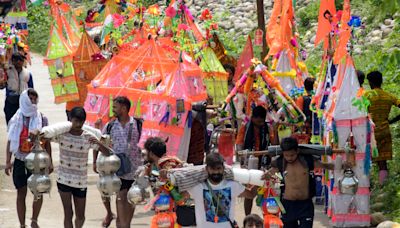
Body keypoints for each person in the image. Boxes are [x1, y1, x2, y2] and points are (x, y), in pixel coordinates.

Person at [46, 107, 110, 228]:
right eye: (76, 121)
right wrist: (49, 160)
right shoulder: (62, 135)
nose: (78, 124)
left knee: (81, 216)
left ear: (84, 122)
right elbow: (45, 138)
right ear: (70, 119)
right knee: (68, 213)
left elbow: (108, 153)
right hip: (63, 179)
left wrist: (98, 143)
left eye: (81, 121)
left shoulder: (88, 137)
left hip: (80, 182)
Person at [262, 137, 348, 228]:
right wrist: (266, 175)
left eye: (292, 155)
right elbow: (268, 174)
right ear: (283, 153)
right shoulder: (280, 163)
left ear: (297, 151)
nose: (289, 158)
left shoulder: (307, 161)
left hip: (305, 205)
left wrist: (343, 166)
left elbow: (326, 166)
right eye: (286, 155)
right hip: (287, 205)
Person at [5, 89, 51, 228]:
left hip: (37, 160)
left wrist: (50, 162)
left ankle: (34, 220)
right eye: (29, 98)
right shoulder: (16, 118)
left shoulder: (42, 118)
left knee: (39, 191)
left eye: (34, 99)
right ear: (24, 99)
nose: (32, 101)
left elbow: (47, 141)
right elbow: (10, 140)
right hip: (19, 160)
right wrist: (8, 161)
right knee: (21, 192)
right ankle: (22, 224)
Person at [94, 96, 143, 228]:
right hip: (117, 169)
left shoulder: (138, 124)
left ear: (124, 108)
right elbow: (101, 143)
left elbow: (144, 143)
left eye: (115, 107)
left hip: (135, 169)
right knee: (121, 196)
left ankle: (125, 223)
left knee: (131, 197)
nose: (113, 109)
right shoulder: (110, 126)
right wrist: (95, 161)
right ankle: (123, 224)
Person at [187, 153, 249, 228]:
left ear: (223, 168)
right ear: (207, 169)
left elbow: (251, 194)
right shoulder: (197, 187)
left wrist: (261, 180)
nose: (216, 172)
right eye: (212, 169)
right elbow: (178, 197)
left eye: (218, 168)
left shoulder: (233, 185)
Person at [235, 105, 275, 215]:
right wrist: (243, 162)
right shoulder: (245, 128)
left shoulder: (268, 128)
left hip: (264, 165)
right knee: (249, 194)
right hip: (248, 166)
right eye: (257, 121)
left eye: (261, 122)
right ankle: (248, 217)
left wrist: (274, 129)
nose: (259, 124)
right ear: (253, 118)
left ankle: (267, 217)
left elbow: (275, 144)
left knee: (266, 193)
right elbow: (239, 145)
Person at [364, 71, 400, 184]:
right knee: (382, 162)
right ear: (381, 81)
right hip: (384, 130)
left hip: (369, 132)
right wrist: (392, 121)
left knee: (365, 160)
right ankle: (382, 185)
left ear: (370, 82)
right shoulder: (388, 96)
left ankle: (366, 186)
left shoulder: (367, 96)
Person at [3, 53, 33, 124]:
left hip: (23, 100)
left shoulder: (27, 73)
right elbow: (2, 85)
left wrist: (32, 102)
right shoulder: (8, 72)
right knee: (10, 120)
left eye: (20, 60)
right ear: (12, 61)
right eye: (16, 60)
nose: (18, 62)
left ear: (23, 61)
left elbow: (31, 89)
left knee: (23, 123)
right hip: (11, 100)